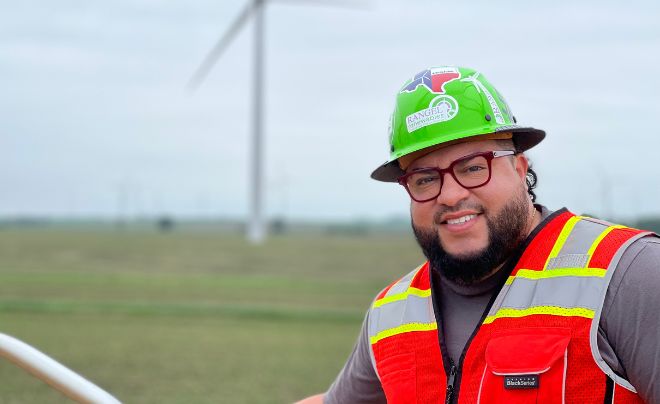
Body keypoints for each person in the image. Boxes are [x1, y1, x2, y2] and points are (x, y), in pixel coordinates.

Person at [298, 66, 660, 404]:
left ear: (520, 168)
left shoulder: (627, 273)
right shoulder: (390, 315)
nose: (451, 195)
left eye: (473, 168)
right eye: (425, 178)